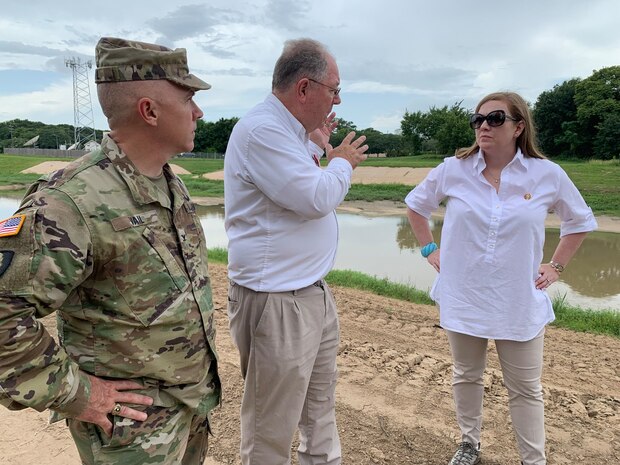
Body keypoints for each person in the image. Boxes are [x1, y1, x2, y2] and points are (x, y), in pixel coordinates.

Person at [0, 37, 220, 465]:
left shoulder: (169, 184)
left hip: (188, 409)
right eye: (189, 98)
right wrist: (77, 393)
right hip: (128, 433)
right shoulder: (69, 202)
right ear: (149, 111)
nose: (199, 112)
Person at [405, 91, 597, 465]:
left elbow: (580, 221)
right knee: (466, 374)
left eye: (495, 119)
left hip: (517, 298)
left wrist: (555, 266)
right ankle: (468, 444)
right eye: (477, 120)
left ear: (518, 126)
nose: (483, 126)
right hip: (464, 293)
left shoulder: (546, 174)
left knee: (525, 388)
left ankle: (533, 459)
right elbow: (416, 206)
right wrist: (430, 250)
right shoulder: (453, 169)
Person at [224, 38, 368, 465]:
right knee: (272, 426)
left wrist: (317, 145)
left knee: (319, 409)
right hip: (277, 299)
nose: (337, 100)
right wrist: (342, 160)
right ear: (304, 89)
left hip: (309, 294)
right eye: (334, 89)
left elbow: (291, 189)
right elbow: (315, 198)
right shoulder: (262, 130)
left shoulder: (287, 133)